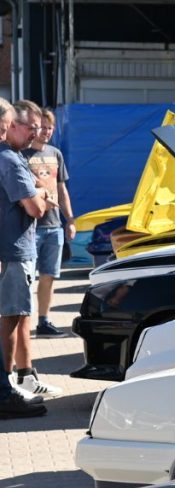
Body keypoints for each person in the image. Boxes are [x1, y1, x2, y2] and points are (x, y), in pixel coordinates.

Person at [1, 99, 57, 417]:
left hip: (14, 249)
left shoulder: (14, 157)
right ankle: (6, 389)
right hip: (12, 250)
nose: (36, 134)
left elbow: (40, 191)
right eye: (30, 128)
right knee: (10, 317)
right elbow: (36, 207)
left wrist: (40, 193)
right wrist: (41, 197)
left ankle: (17, 380)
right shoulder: (9, 158)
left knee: (19, 315)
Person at [24, 107, 74, 338]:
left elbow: (62, 189)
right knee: (26, 277)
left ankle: (44, 321)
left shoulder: (56, 154)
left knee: (49, 275)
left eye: (50, 128)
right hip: (29, 227)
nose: (46, 131)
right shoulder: (22, 155)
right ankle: (21, 320)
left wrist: (70, 219)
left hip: (54, 226)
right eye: (42, 127)